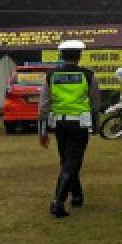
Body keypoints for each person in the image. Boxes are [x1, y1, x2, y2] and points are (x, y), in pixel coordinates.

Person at [38, 40, 101, 218]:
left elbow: (43, 106)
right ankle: (58, 202)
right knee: (72, 162)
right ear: (79, 56)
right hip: (79, 125)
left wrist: (42, 131)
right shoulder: (88, 75)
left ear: (61, 55)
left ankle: (77, 195)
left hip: (59, 125)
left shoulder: (51, 76)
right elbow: (95, 104)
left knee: (67, 160)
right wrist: (96, 126)